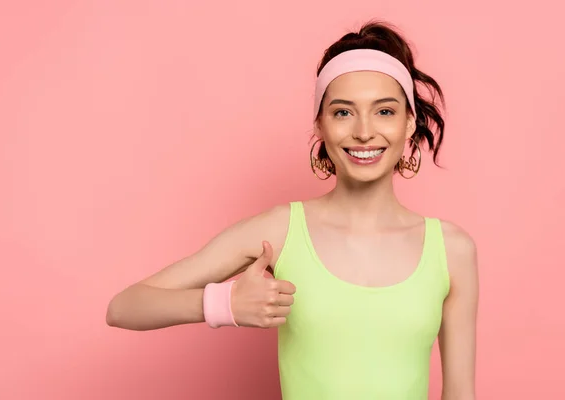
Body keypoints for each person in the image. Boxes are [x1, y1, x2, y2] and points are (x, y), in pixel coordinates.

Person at [106, 19, 478, 400]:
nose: (364, 131)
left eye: (384, 111)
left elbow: (461, 394)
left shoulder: (452, 249)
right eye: (343, 112)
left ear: (409, 122)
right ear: (320, 125)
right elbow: (124, 307)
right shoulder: (282, 231)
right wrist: (224, 304)